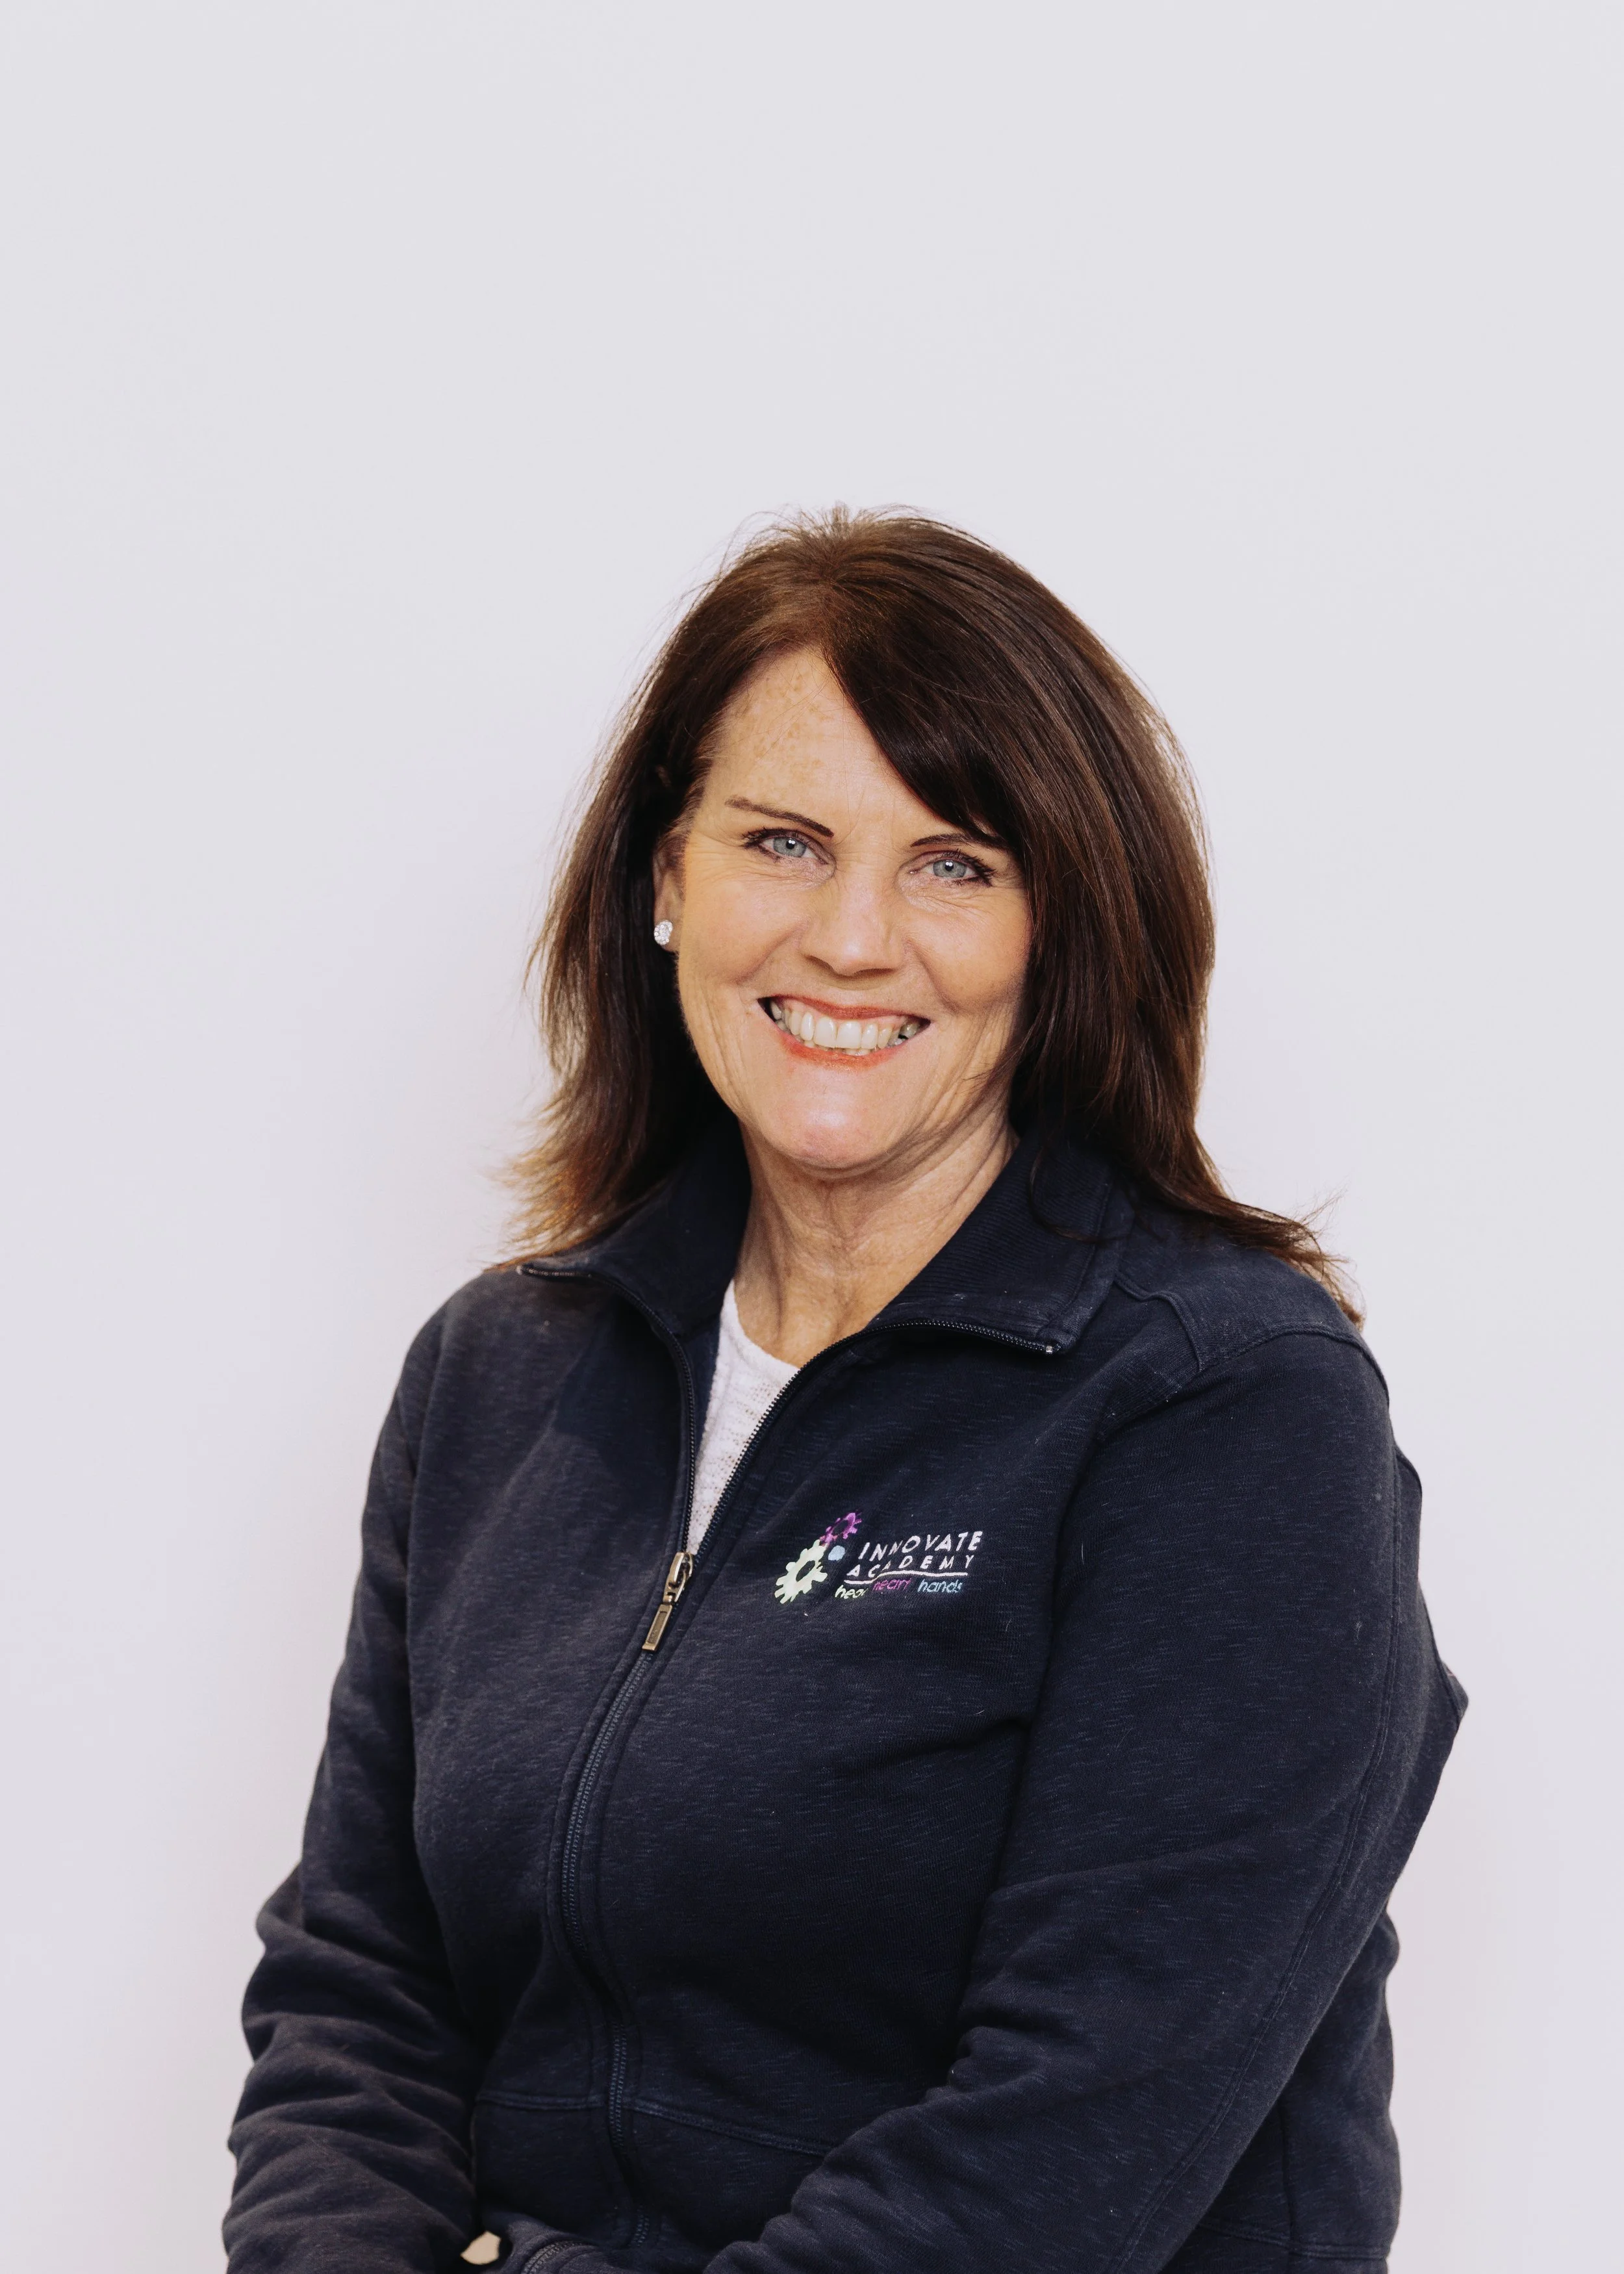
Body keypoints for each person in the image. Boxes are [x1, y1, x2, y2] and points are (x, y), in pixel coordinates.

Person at [225, 510, 1464, 2274]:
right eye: (783, 841)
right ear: (668, 877)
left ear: (1063, 926)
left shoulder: (1226, 1409)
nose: (854, 936)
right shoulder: (497, 1375)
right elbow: (362, 1984)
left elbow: (1071, 2138)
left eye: (954, 861)